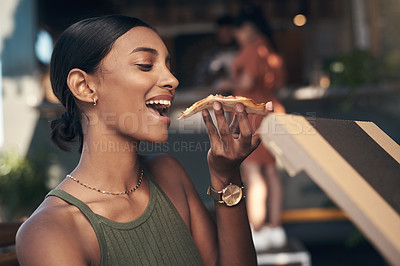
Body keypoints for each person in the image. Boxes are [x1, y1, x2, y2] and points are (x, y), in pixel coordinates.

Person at [15, 15, 271, 265]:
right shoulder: (50, 230)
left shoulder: (170, 174)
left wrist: (226, 176)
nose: (172, 80)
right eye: (145, 65)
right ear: (85, 86)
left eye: (168, 66)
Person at [227, 8, 287, 250]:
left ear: (247, 28)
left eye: (237, 32)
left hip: (252, 115)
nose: (237, 37)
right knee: (271, 172)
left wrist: (227, 83)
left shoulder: (253, 49)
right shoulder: (270, 49)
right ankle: (276, 228)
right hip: (271, 112)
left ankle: (258, 230)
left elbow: (247, 82)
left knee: (253, 173)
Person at [195, 15, 238, 93]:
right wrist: (216, 75)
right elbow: (200, 82)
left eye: (229, 31)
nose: (226, 35)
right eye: (223, 32)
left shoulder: (242, 52)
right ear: (218, 33)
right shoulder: (211, 56)